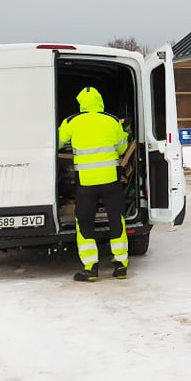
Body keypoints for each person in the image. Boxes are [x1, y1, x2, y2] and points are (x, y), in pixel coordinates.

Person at [58, 86, 130, 281]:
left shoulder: (71, 121)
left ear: (81, 103)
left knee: (84, 222)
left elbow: (57, 143)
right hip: (110, 181)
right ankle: (121, 265)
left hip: (86, 183)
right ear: (100, 101)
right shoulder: (112, 120)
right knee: (116, 219)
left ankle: (90, 268)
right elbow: (122, 147)